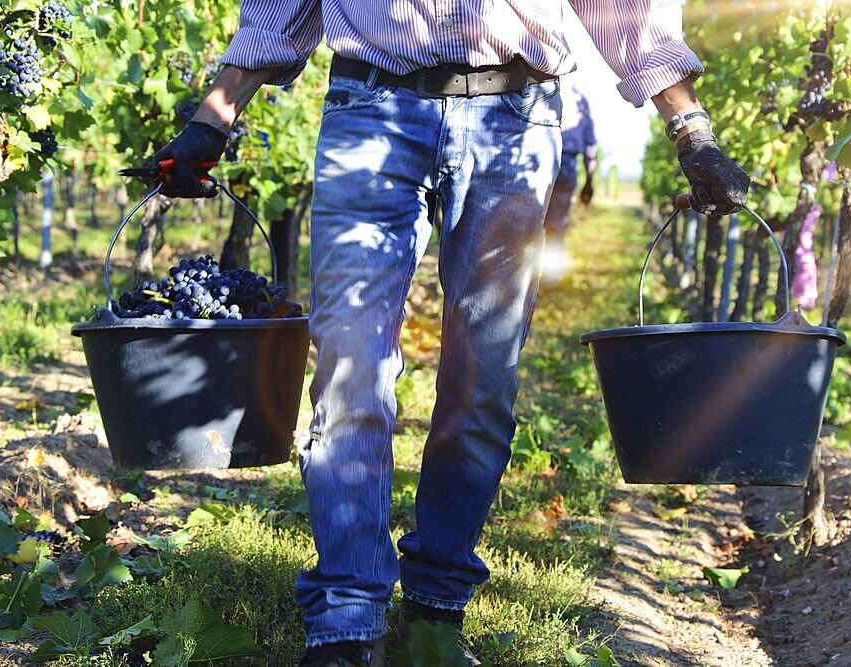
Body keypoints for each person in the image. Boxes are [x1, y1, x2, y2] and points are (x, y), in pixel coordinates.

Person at [147, 2, 750, 665]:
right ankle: (347, 616)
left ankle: (436, 602)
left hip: (514, 118)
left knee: (483, 378)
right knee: (349, 362)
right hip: (370, 104)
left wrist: (690, 128)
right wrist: (213, 118)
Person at [542, 79, 599, 284]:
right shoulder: (580, 101)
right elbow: (590, 143)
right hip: (567, 164)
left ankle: (524, 278)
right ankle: (550, 278)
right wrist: (589, 179)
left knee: (529, 219)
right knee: (556, 223)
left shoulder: (539, 88)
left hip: (538, 158)